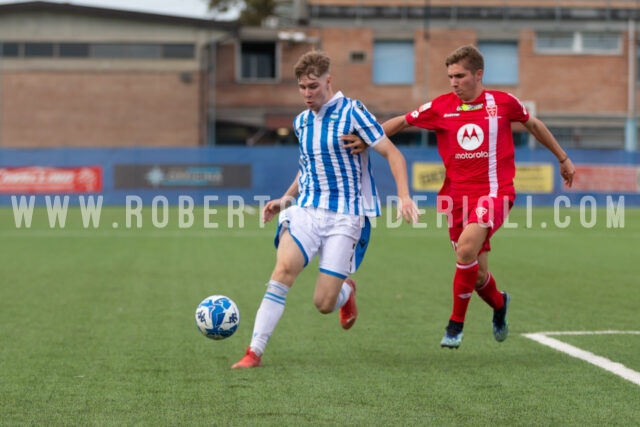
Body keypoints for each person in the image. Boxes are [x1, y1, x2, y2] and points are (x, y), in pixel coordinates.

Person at [344, 44, 576, 349]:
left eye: (460, 76)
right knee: (477, 276)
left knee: (466, 249)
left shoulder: (503, 103)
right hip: (455, 200)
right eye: (450, 76)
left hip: (495, 193)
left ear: (478, 74)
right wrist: (368, 138)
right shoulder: (441, 106)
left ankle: (455, 325)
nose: (453, 82)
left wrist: (562, 158)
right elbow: (402, 121)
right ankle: (499, 303)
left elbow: (532, 124)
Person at [232, 50, 420, 368]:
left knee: (323, 303)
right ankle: (254, 352)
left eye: (313, 86)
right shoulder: (302, 122)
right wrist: (284, 199)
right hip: (306, 210)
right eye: (303, 87)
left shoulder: (353, 112)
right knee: (282, 272)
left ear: (328, 81)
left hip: (346, 216)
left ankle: (346, 291)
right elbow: (307, 169)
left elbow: (393, 154)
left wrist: (404, 196)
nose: (307, 94)